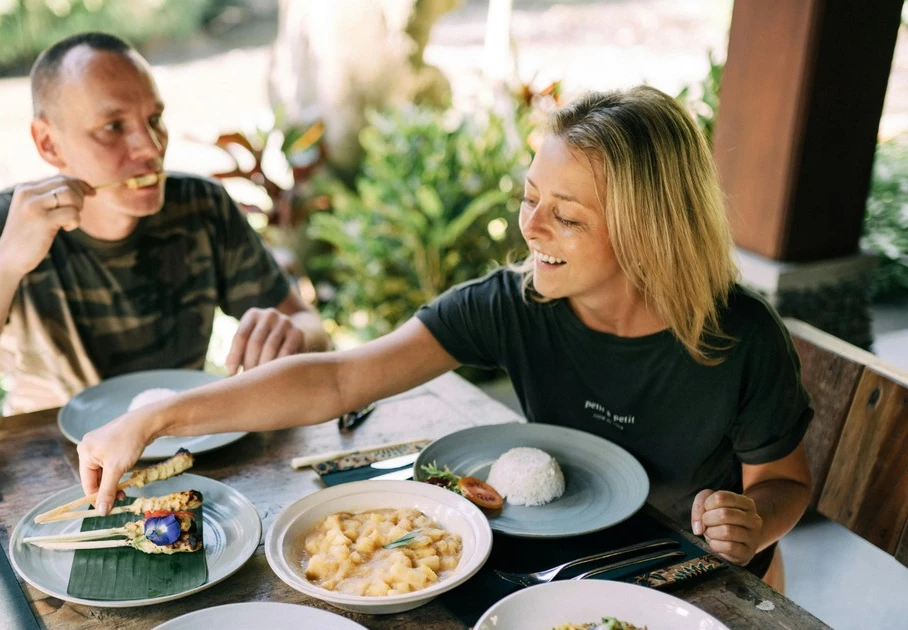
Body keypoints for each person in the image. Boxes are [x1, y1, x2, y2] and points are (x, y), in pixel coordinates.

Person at [75, 86, 813, 585]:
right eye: (530, 198)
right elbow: (337, 379)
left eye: (568, 216)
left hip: (700, 578)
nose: (531, 227)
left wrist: (752, 522)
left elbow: (785, 484)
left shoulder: (740, 338)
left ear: (649, 231)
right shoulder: (513, 302)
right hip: (565, 559)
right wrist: (155, 419)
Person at [0, 32, 329, 413]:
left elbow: (311, 328)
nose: (151, 148)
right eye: (114, 127)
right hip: (54, 454)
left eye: (154, 119)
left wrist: (291, 335)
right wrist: (6, 263)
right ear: (49, 144)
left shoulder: (199, 206)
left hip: (188, 434)